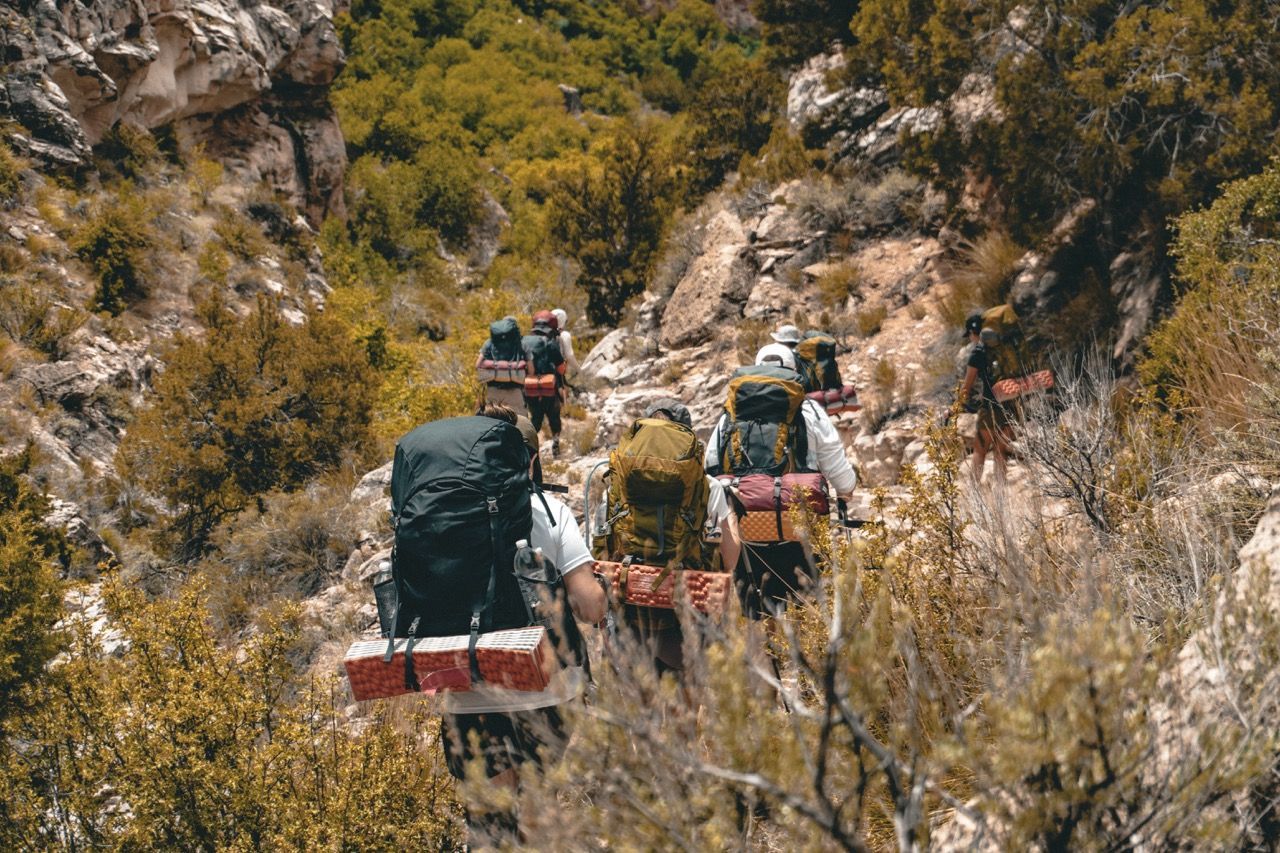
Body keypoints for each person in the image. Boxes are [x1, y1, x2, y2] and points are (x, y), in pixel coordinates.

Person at [440, 403, 606, 842]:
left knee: (487, 823)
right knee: (536, 809)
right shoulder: (548, 511)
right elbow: (589, 607)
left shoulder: (442, 515)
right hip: (543, 688)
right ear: (530, 459)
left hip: (467, 686)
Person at [703, 354, 857, 619]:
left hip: (746, 525)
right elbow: (840, 475)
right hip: (799, 524)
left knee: (756, 610)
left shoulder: (730, 413)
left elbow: (711, 467)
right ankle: (803, 655)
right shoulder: (808, 410)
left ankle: (763, 656)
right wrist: (846, 490)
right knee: (806, 608)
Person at [622, 398, 741, 675]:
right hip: (687, 624)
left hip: (632, 620)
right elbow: (731, 559)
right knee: (686, 708)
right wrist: (731, 515)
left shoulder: (620, 483)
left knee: (640, 711)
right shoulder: (708, 487)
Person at [959, 314, 1014, 484]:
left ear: (972, 333)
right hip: (1010, 402)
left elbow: (967, 386)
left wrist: (956, 406)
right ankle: (1001, 496)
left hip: (990, 406)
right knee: (1001, 450)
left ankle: (974, 494)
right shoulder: (1001, 347)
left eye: (969, 335)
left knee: (980, 450)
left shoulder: (978, 353)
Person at [524, 311, 566, 456]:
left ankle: (528, 449)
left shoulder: (524, 342)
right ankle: (555, 443)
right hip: (549, 389)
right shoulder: (551, 343)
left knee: (535, 419)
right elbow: (561, 369)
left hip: (530, 389)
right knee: (554, 417)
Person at [477, 316, 528, 412]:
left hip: (493, 391)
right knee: (518, 421)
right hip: (515, 391)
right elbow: (531, 369)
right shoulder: (521, 343)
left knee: (493, 420)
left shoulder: (489, 343)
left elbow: (478, 364)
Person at [550, 308, 580, 376]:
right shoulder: (564, 335)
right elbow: (569, 356)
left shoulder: (542, 334)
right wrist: (579, 370)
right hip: (556, 374)